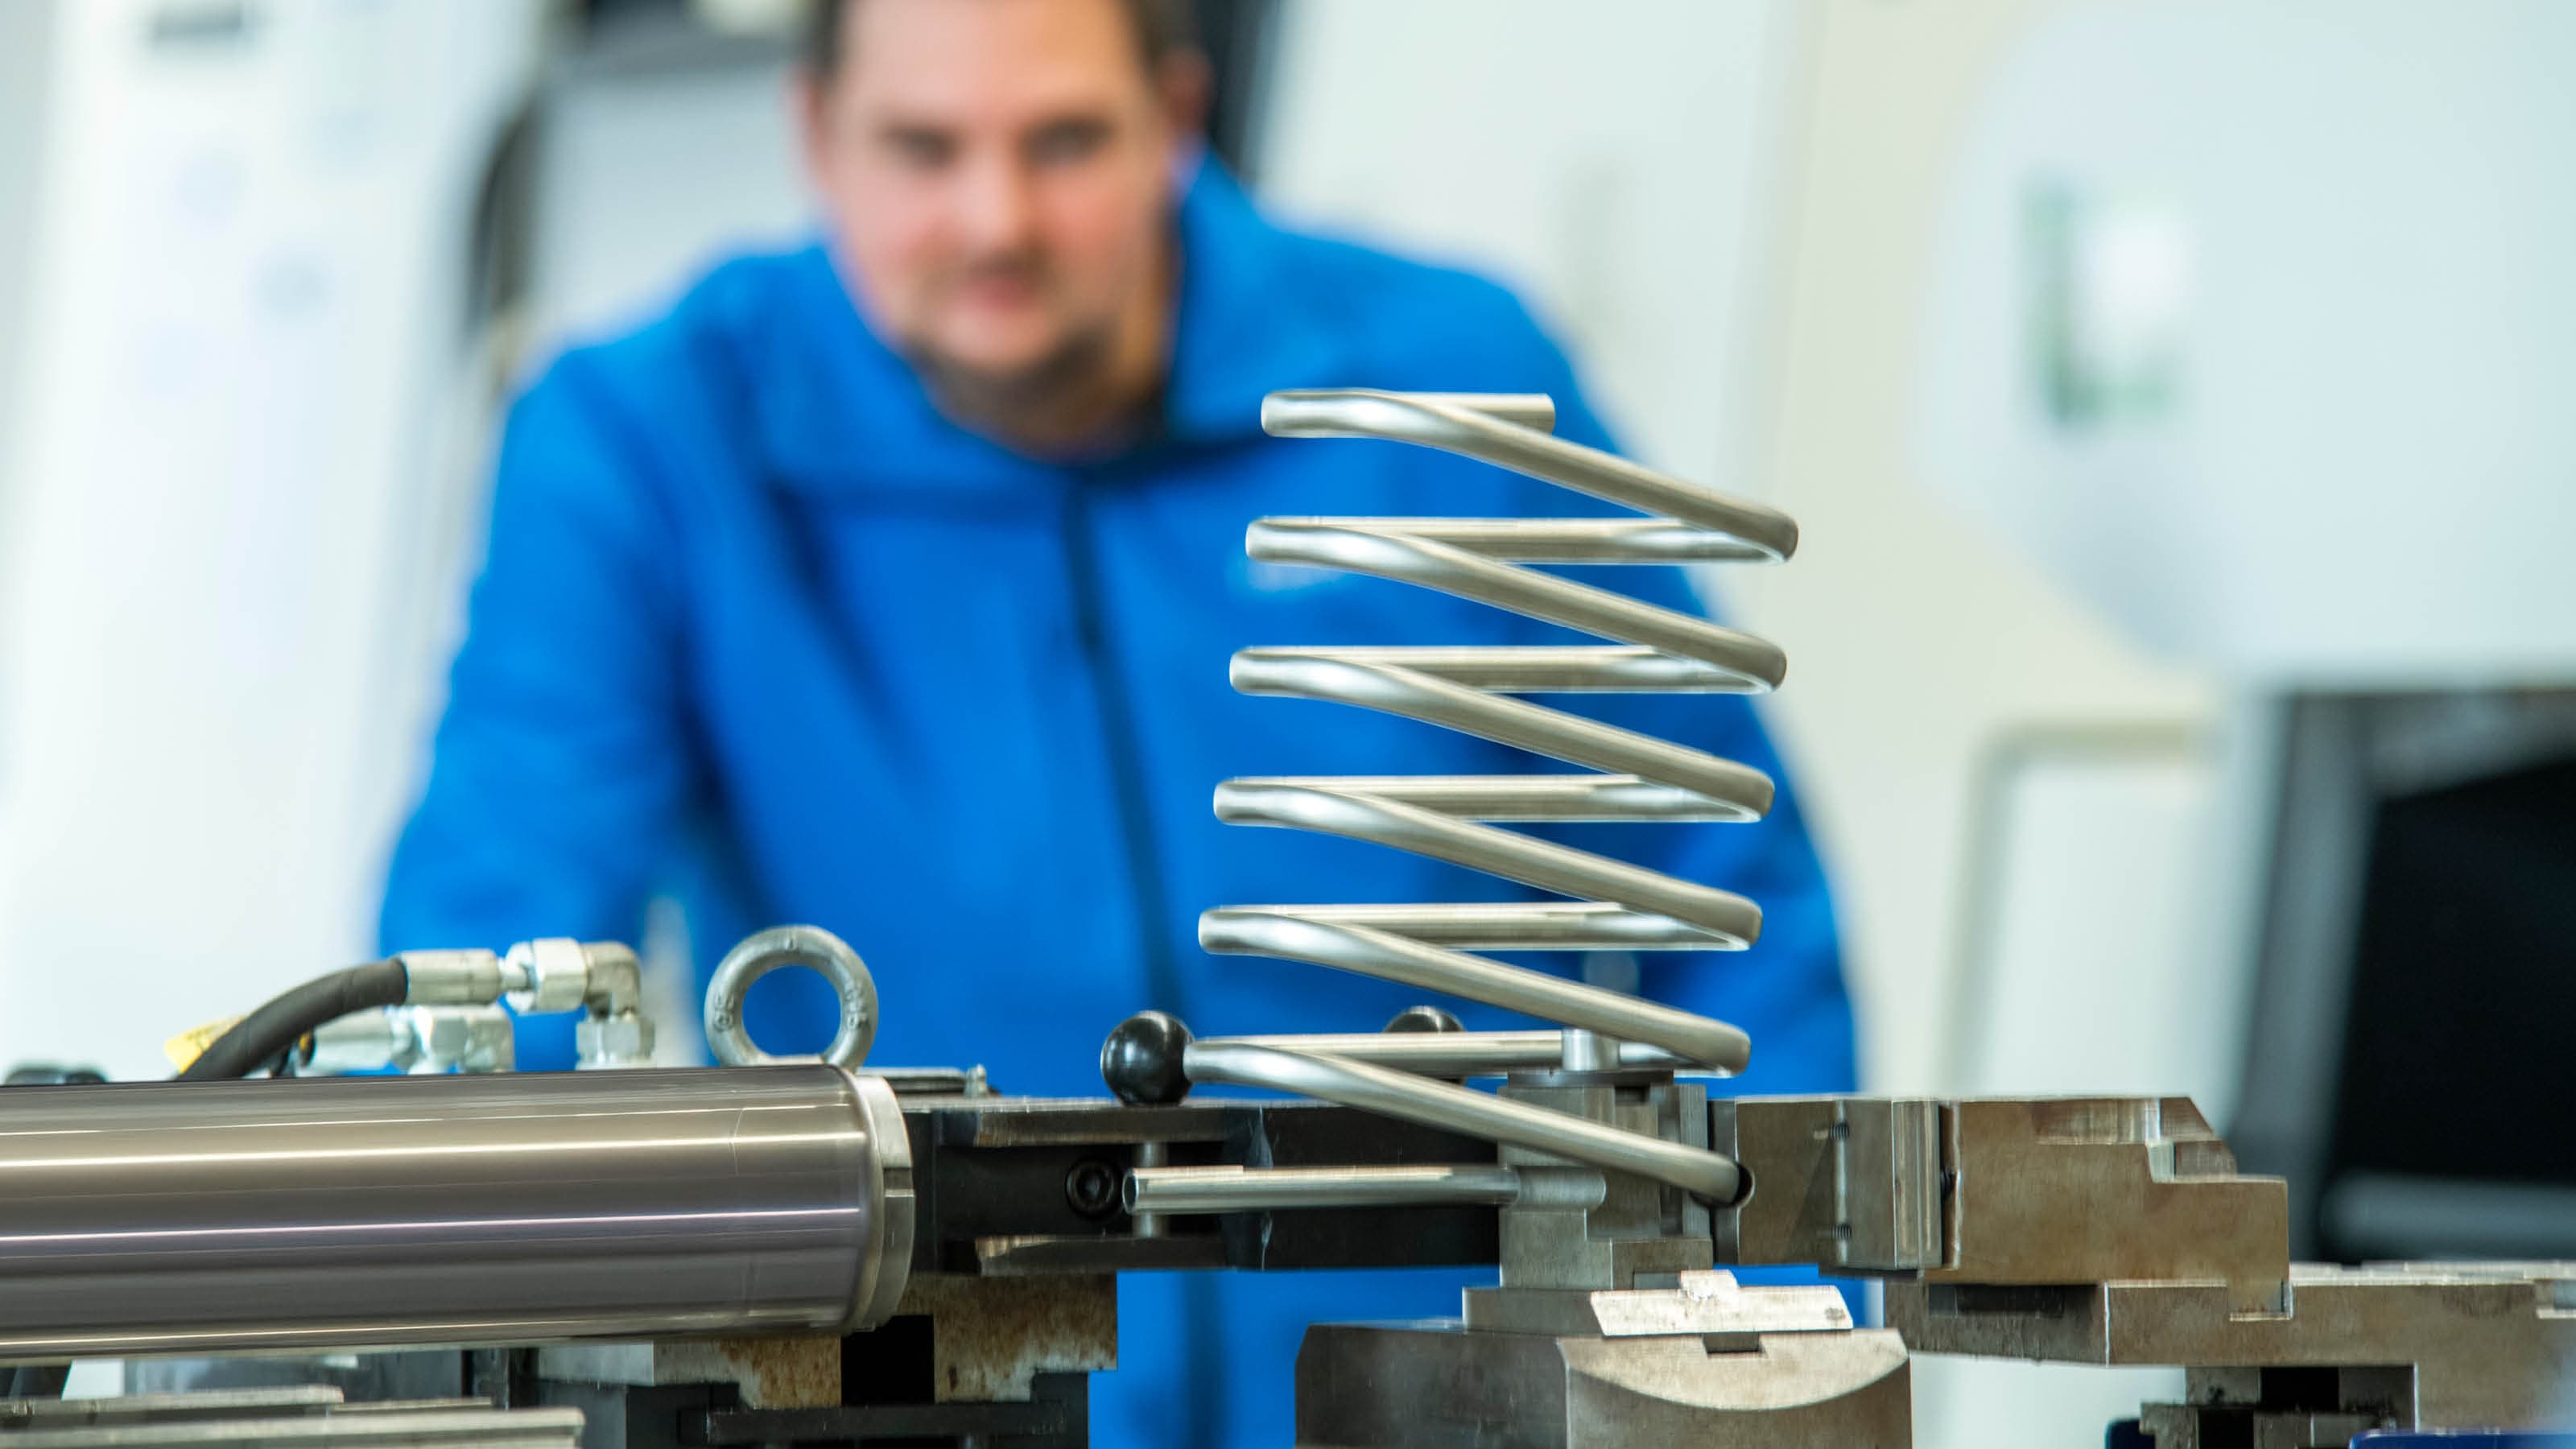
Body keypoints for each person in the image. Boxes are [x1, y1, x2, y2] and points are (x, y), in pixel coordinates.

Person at [378, 0, 1858, 1442]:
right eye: (923, 148)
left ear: (1176, 117)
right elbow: (487, 987)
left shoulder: (1444, 390)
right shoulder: (647, 442)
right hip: (937, 1406)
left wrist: (1757, 1377)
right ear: (817, 137)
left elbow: (1733, 927)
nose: (996, 220)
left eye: (1066, 141)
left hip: (1459, 1402)